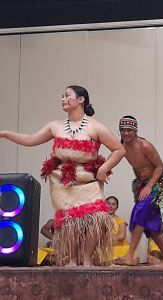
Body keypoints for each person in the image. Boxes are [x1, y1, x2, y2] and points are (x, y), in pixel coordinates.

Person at [0, 85, 126, 266]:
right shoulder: (55, 126)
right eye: (62, 96)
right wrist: (5, 134)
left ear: (81, 99)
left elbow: (119, 150)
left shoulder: (95, 126)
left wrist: (103, 169)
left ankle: (87, 258)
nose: (62, 99)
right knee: (70, 222)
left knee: (97, 217)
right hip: (63, 180)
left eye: (67, 95)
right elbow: (30, 139)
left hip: (88, 178)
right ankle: (73, 261)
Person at [116, 115, 163, 266]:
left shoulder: (145, 146)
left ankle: (129, 255)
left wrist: (149, 186)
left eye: (129, 130)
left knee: (139, 213)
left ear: (135, 131)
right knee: (152, 224)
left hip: (157, 182)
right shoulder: (122, 147)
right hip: (141, 184)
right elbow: (123, 162)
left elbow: (160, 167)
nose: (126, 133)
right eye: (122, 130)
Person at [106, 196, 130, 261]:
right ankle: (117, 261)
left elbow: (121, 236)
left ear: (116, 208)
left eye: (113, 204)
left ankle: (116, 261)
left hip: (118, 246)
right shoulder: (98, 220)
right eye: (108, 203)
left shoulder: (120, 220)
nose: (110, 206)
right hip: (105, 247)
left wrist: (108, 241)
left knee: (128, 248)